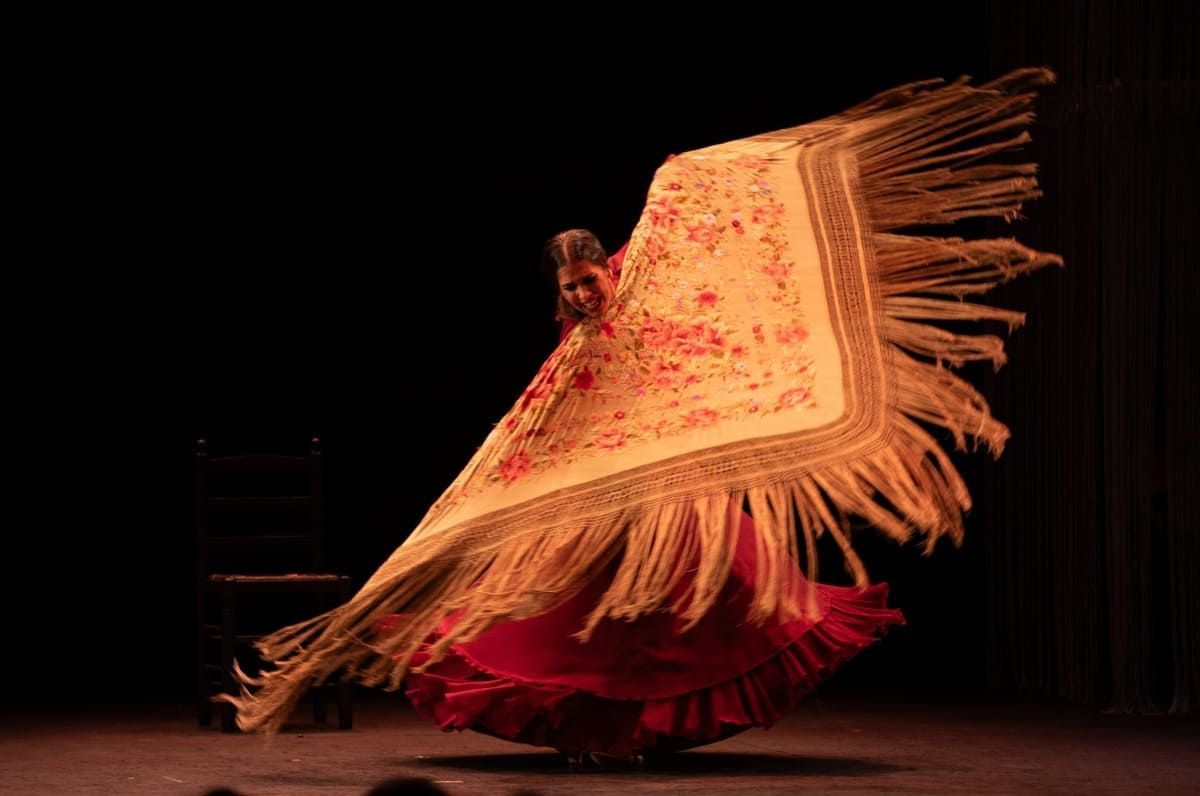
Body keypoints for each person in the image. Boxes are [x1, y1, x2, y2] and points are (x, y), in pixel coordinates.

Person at [395, 229, 906, 766]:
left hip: (665, 478)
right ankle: (595, 731)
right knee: (582, 615)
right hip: (602, 485)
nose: (581, 296)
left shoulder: (648, 295)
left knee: (705, 592)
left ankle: (637, 732)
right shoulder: (574, 339)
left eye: (588, 282)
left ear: (607, 269)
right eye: (569, 288)